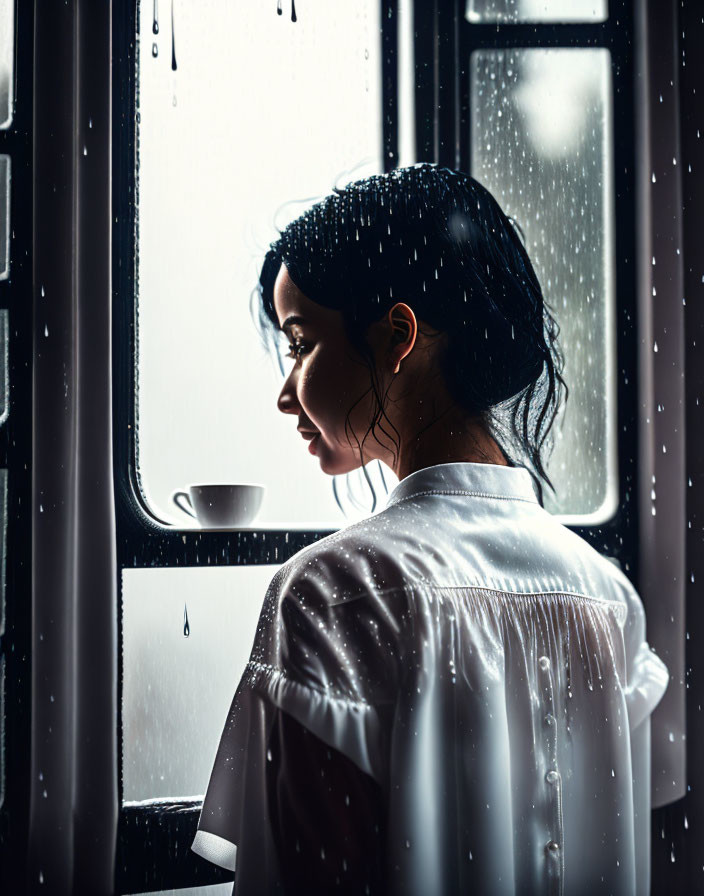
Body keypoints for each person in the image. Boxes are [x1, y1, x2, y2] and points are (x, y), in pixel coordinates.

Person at [191, 163, 669, 895]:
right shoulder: (607, 596)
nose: (287, 395)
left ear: (396, 336)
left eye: (300, 344)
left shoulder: (330, 595)